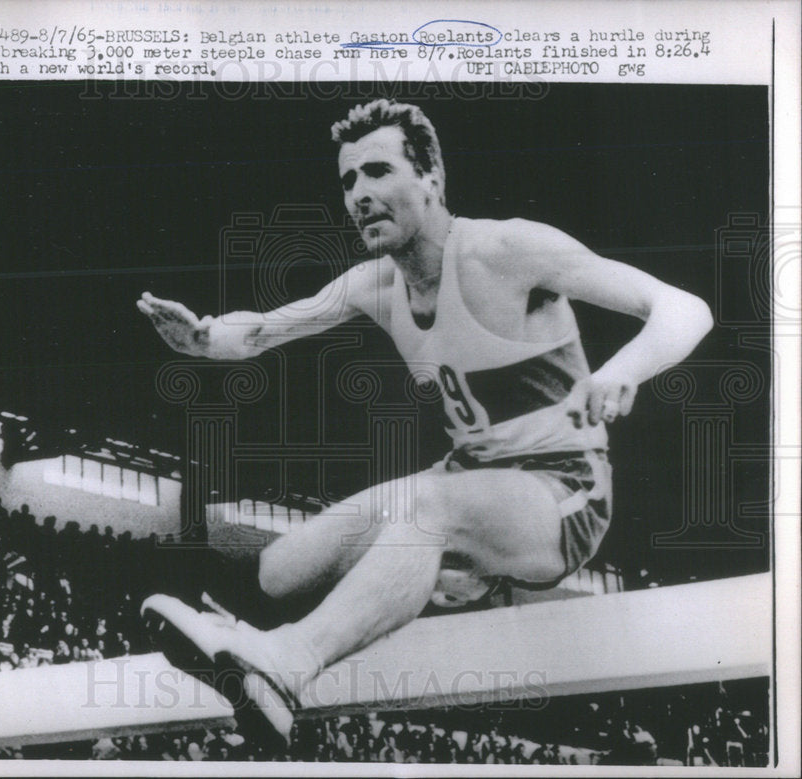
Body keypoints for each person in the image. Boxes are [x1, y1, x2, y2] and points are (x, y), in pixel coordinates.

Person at [138, 99, 713, 743]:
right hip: (469, 477)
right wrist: (205, 339)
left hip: (563, 491)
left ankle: (288, 666)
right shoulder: (374, 285)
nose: (359, 195)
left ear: (432, 177)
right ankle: (242, 644)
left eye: (379, 172)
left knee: (429, 510)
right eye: (349, 181)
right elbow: (263, 331)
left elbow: (683, 307)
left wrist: (619, 372)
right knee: (283, 566)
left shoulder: (507, 250)